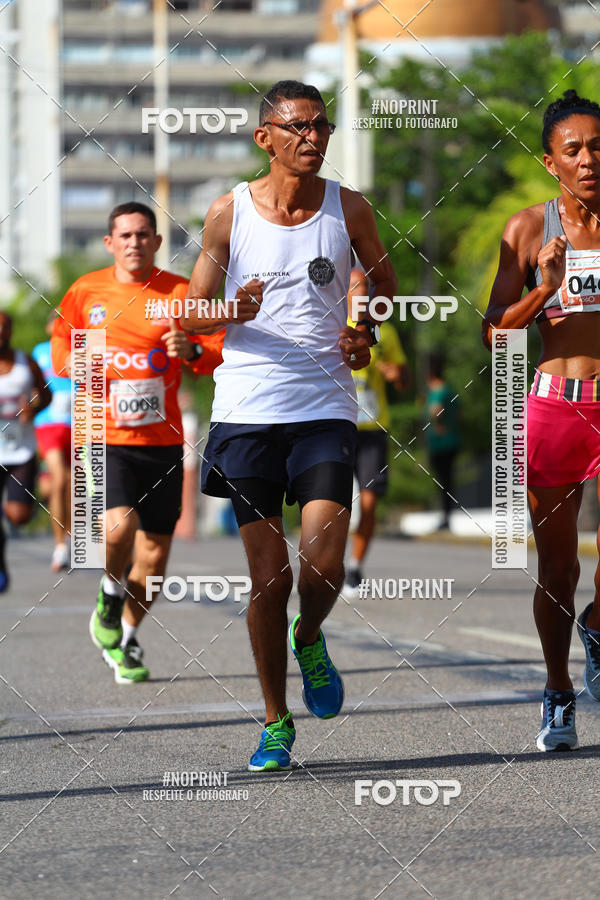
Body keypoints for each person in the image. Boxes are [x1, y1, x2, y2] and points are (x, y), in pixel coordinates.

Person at [182, 80, 397, 771]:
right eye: (298, 128)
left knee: (323, 562)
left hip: (325, 408)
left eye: (321, 127)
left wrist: (365, 330)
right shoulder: (228, 214)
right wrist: (231, 314)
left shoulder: (350, 208)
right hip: (246, 413)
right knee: (269, 580)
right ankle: (276, 721)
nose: (313, 139)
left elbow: (386, 289)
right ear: (265, 137)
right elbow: (189, 314)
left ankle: (312, 635)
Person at [51, 202, 224, 684]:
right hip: (104, 435)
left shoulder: (180, 293)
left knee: (153, 559)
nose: (134, 242)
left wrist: (190, 349)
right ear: (110, 243)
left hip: (163, 441)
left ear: (156, 241)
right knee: (119, 529)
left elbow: (215, 350)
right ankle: (110, 594)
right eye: (124, 235)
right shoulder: (86, 291)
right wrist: (87, 365)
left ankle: (124, 637)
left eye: (143, 234)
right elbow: (61, 350)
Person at [482, 89, 600, 751]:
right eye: (574, 149)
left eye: (598, 147)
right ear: (551, 161)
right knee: (558, 571)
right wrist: (543, 289)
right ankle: (557, 691)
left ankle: (599, 629)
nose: (588, 160)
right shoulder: (528, 229)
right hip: (556, 406)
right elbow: (493, 333)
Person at [343, 267, 410, 594]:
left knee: (369, 505)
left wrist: (396, 373)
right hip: (337, 427)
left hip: (372, 429)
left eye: (366, 286)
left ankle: (354, 568)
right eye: (355, 286)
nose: (362, 292)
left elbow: (405, 380)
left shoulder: (385, 331)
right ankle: (325, 565)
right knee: (332, 504)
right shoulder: (329, 326)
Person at [0, 311, 51, 591]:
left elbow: (46, 394)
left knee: (18, 516)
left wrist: (34, 407)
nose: (0, 333)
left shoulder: (25, 363)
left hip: (21, 451)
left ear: (10, 331)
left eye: (5, 327)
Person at [32, 312, 72, 571]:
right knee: (59, 480)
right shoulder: (39, 352)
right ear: (48, 326)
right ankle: (60, 547)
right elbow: (31, 386)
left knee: (70, 483)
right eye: (56, 319)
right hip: (47, 424)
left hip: (78, 424)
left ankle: (68, 536)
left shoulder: (80, 348)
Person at [425, 352, 460, 531]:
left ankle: (445, 517)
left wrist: (437, 423)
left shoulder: (438, 390)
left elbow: (436, 410)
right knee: (448, 480)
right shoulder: (449, 390)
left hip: (441, 443)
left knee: (443, 482)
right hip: (451, 441)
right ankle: (446, 515)